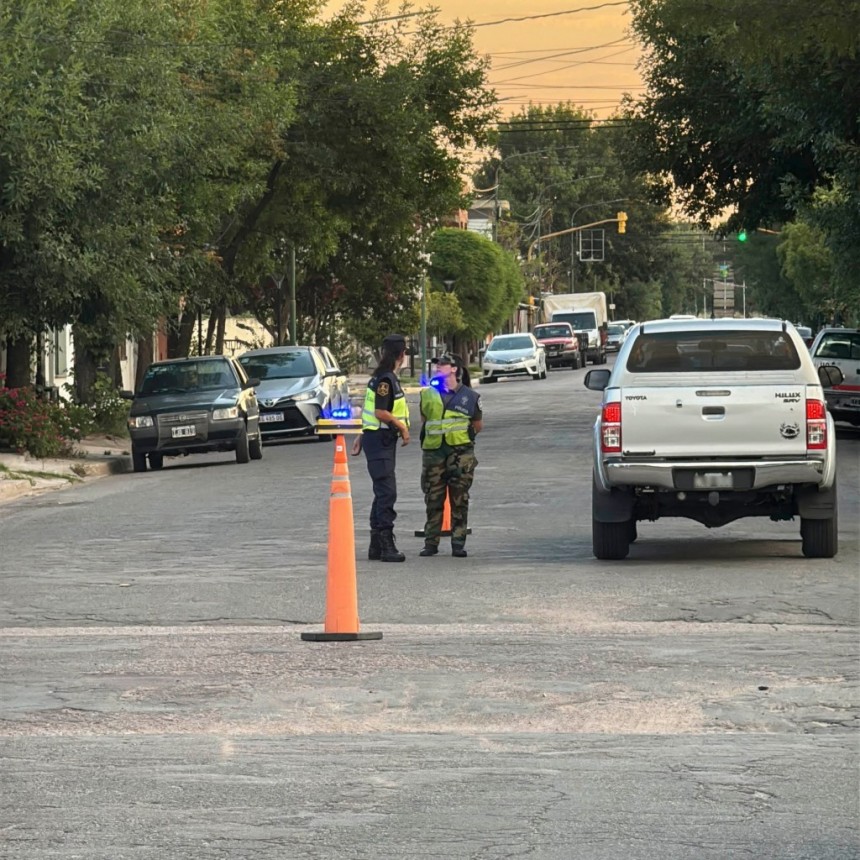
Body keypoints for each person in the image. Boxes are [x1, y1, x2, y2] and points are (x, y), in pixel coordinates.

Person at [418, 353, 483, 558]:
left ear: (454, 368)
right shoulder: (427, 394)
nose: (438, 367)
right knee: (433, 498)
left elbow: (477, 425)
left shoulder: (470, 397)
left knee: (459, 498)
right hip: (434, 452)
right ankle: (431, 543)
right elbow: (424, 420)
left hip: (460, 453)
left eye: (443, 364)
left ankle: (458, 542)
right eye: (437, 363)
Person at [355, 333, 411, 562]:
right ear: (401, 355)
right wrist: (403, 428)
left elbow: (372, 413)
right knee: (387, 492)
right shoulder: (386, 380)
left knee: (382, 491)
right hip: (380, 440)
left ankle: (376, 544)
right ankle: (386, 544)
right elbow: (379, 412)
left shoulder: (383, 377)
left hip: (378, 439)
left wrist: (361, 434)